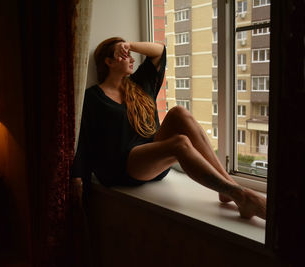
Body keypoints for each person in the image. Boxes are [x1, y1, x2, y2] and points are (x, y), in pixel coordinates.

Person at [71, 37, 266, 220]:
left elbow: (159, 51)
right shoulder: (93, 98)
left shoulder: (138, 84)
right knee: (180, 143)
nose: (131, 58)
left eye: (130, 54)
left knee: (179, 113)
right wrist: (78, 179)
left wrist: (129, 44)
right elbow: (84, 140)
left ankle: (228, 187)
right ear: (109, 62)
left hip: (154, 156)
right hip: (125, 166)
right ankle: (241, 196)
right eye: (123, 55)